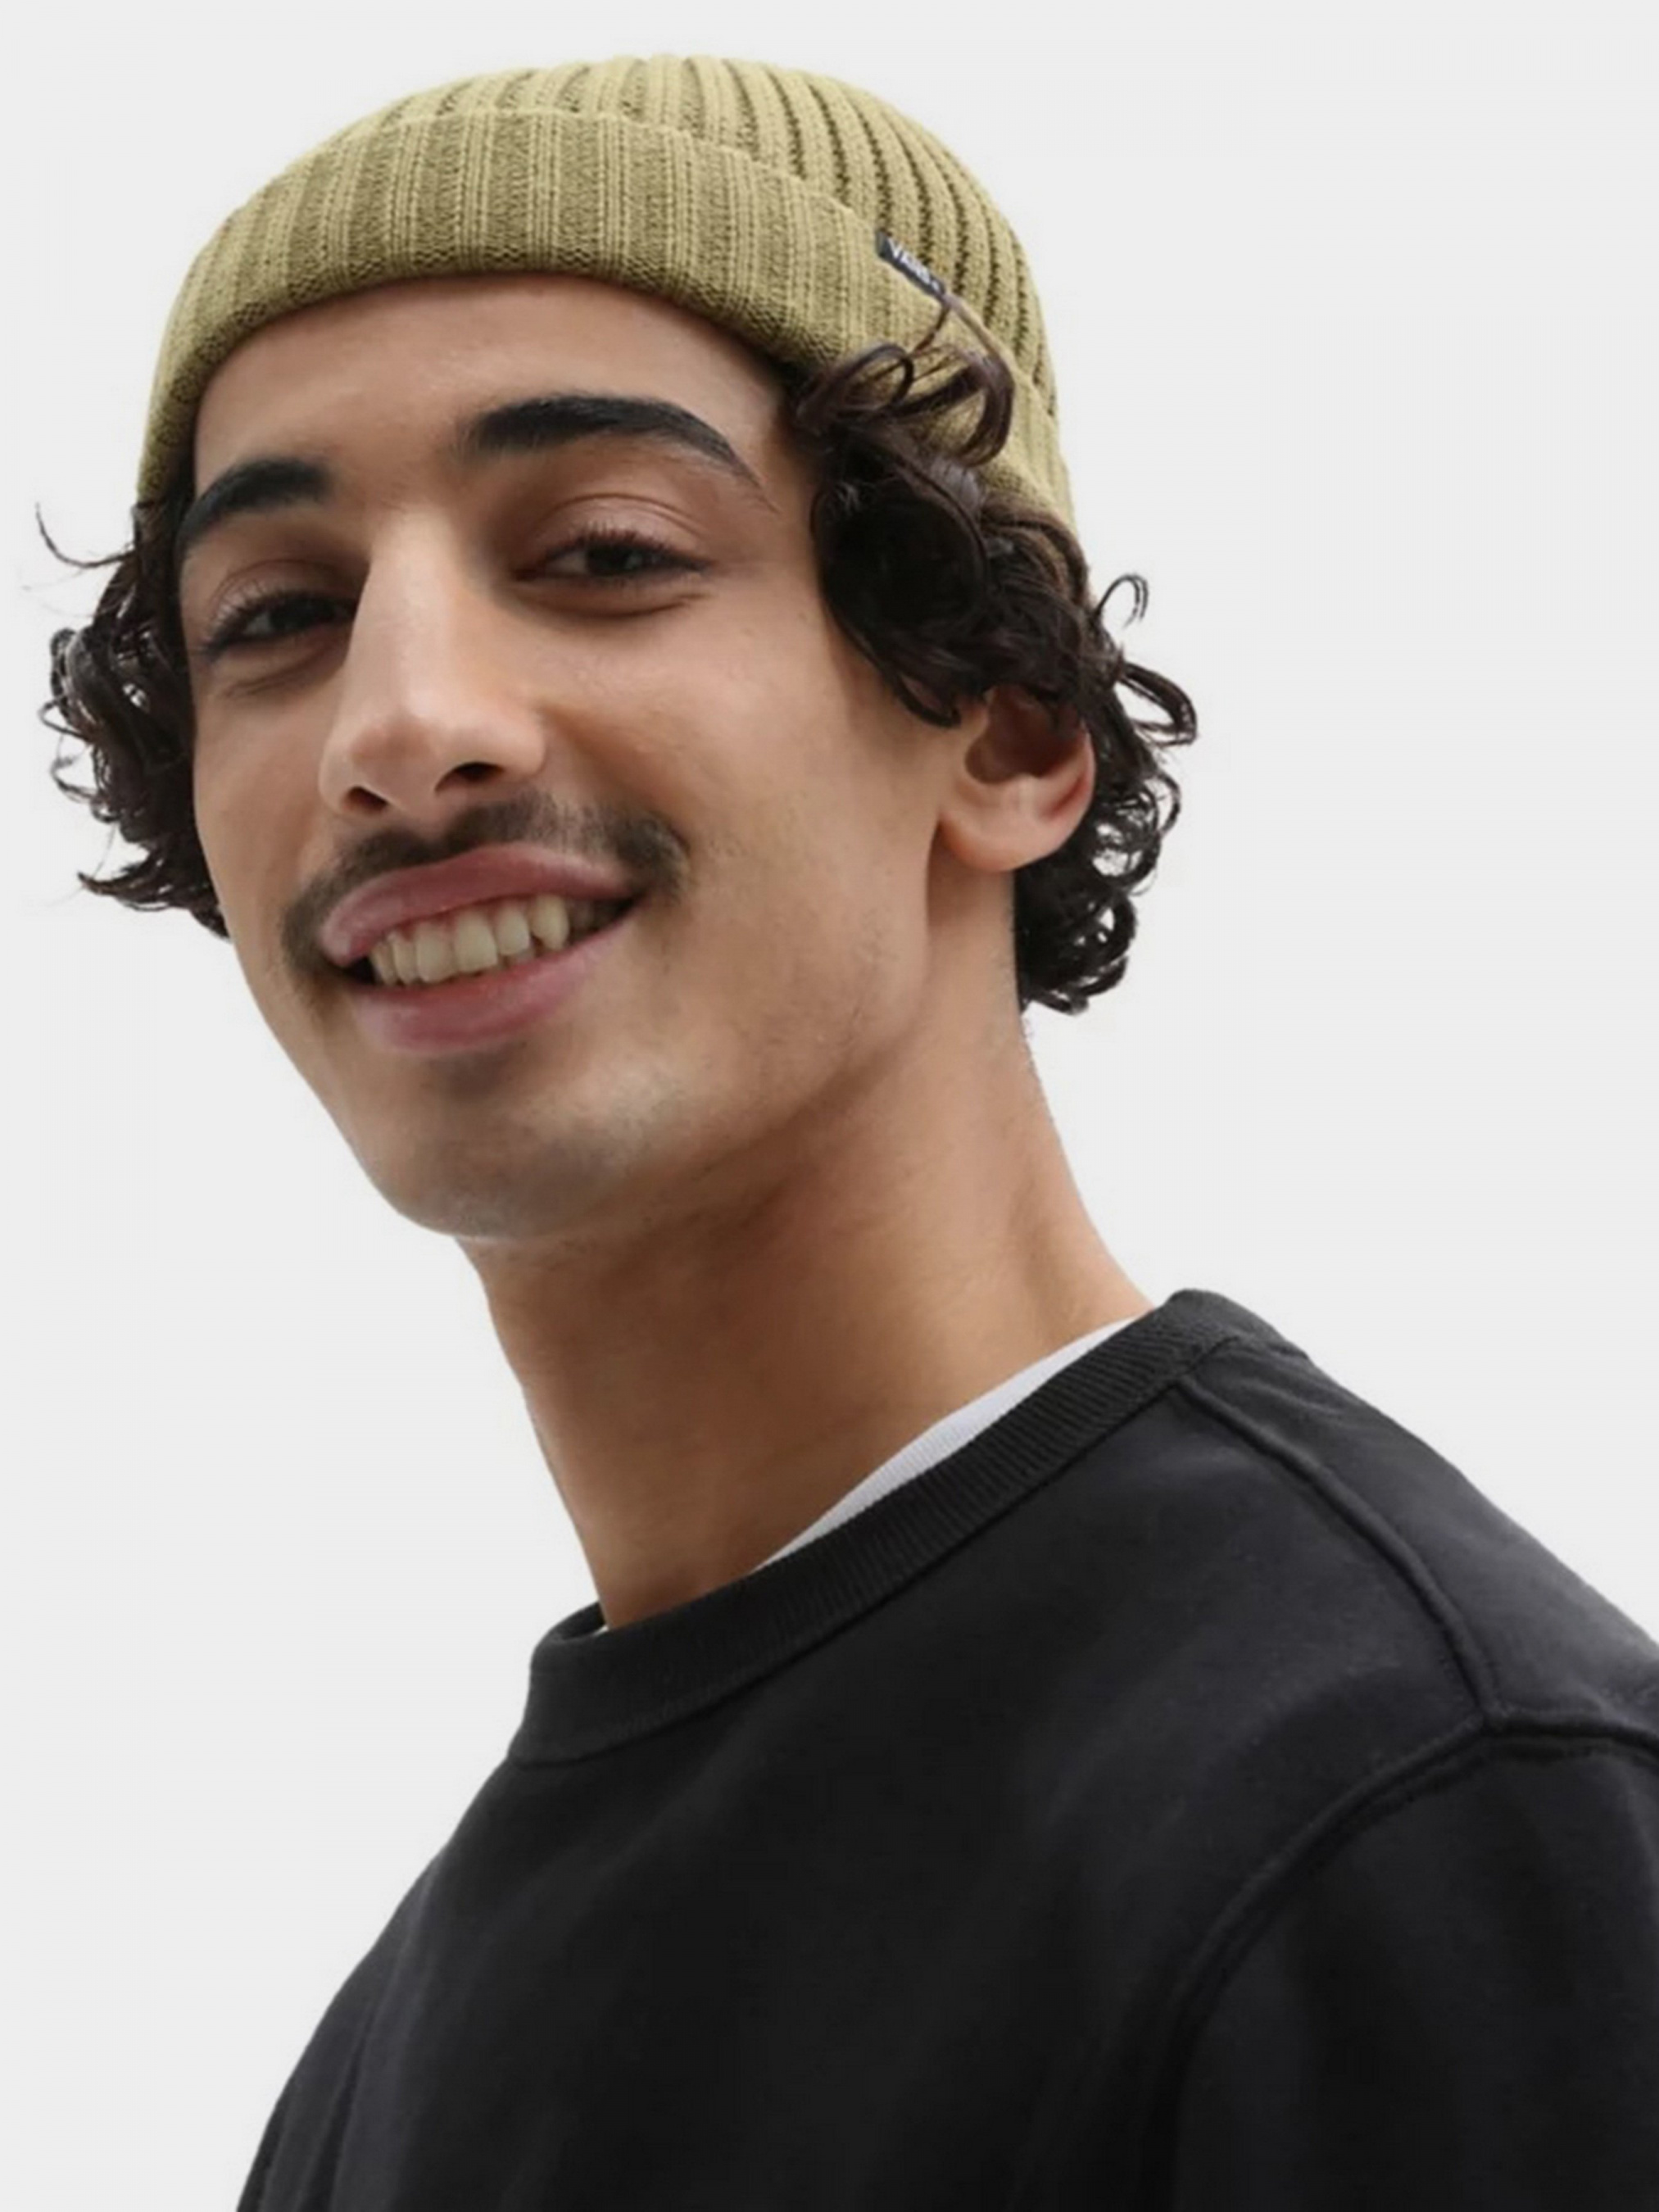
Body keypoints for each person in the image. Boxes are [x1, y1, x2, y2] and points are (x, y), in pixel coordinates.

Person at [42, 54, 1659, 2212]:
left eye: (604, 552)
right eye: (275, 615)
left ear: (1003, 726)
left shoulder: (1422, 1811)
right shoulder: (387, 2053)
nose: (399, 723)